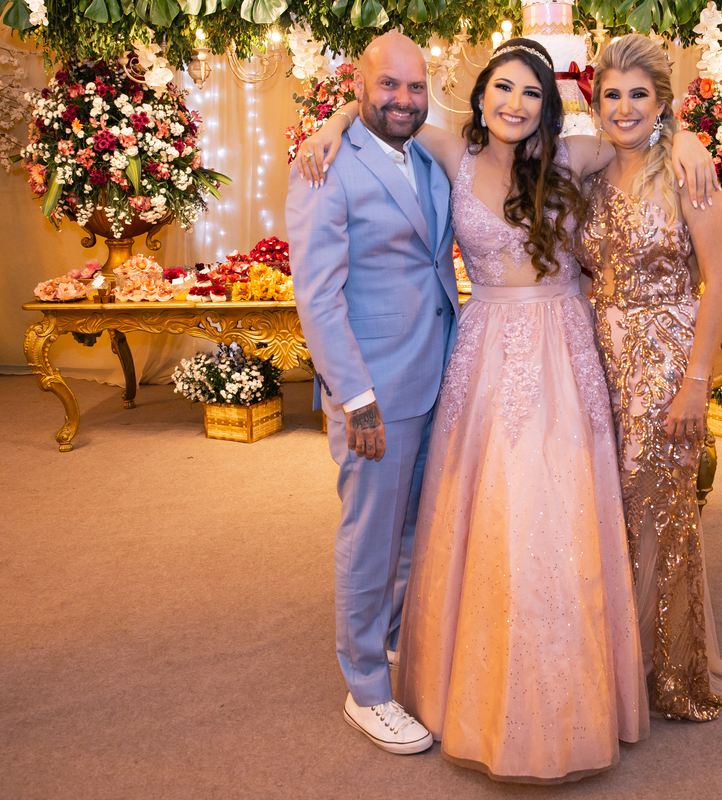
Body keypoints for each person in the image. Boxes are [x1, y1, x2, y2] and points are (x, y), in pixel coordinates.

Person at [297, 38, 718, 781]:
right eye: (502, 88)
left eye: (530, 92)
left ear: (547, 103)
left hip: (565, 345)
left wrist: (683, 136)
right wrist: (330, 122)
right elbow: (382, 113)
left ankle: (571, 690)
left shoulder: (570, 157)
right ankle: (440, 680)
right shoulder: (450, 151)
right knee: (484, 508)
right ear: (480, 93)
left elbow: (635, 129)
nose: (514, 104)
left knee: (563, 509)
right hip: (484, 346)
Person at [285, 31, 457, 756]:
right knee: (369, 539)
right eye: (390, 86)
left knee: (418, 534)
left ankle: (392, 644)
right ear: (359, 84)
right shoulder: (325, 166)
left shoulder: (429, 154)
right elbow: (318, 297)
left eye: (416, 88)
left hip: (442, 375)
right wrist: (354, 398)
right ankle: (364, 688)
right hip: (376, 395)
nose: (404, 100)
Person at [574, 34, 722, 721]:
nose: (624, 107)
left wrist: (696, 380)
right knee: (609, 510)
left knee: (662, 514)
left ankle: (670, 671)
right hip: (596, 353)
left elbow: (721, 277)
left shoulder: (684, 169)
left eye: (638, 94)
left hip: (666, 355)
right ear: (596, 101)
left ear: (661, 102)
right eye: (612, 94)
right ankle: (615, 662)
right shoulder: (587, 171)